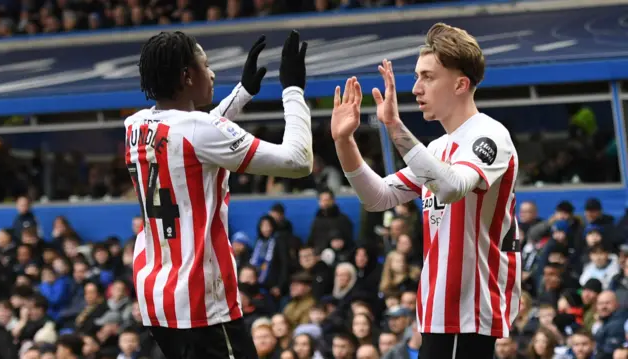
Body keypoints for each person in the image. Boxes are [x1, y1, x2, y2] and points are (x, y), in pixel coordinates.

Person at [329, 22, 521, 359]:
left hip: (469, 310)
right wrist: (344, 141)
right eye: (417, 77)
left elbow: (450, 187)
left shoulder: (489, 135)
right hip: (437, 308)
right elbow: (378, 197)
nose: (416, 88)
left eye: (428, 77)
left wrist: (394, 126)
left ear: (461, 84)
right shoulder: (437, 147)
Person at [126, 30, 312, 358]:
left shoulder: (136, 125)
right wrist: (293, 90)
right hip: (202, 302)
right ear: (186, 76)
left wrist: (243, 93)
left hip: (158, 297)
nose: (211, 74)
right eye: (206, 65)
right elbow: (298, 161)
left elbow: (193, 134)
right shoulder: (199, 131)